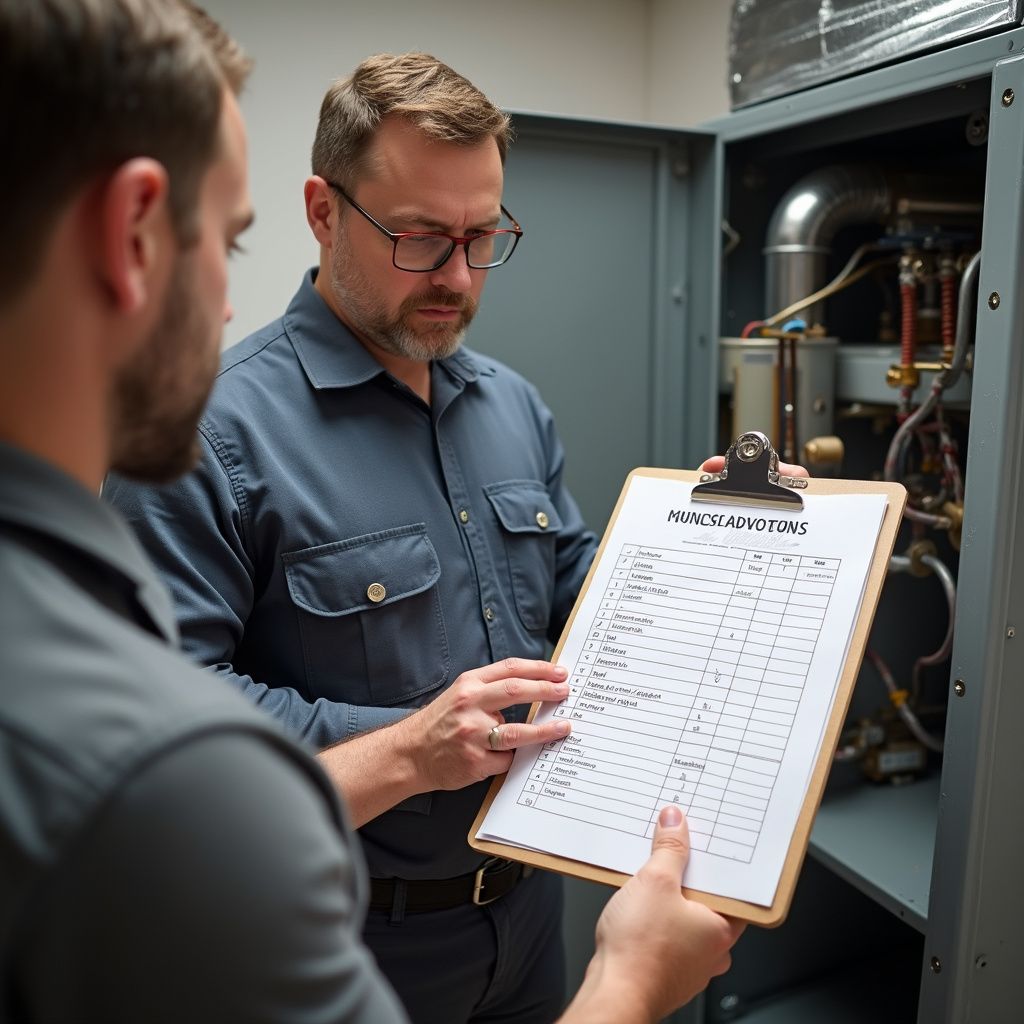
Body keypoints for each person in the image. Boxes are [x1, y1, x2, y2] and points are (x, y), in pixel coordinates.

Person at [0, 3, 744, 1022]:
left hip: (529, 921)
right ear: (322, 210)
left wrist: (711, 541)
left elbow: (589, 612)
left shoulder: (513, 406)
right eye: (421, 237)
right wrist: (411, 744)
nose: (455, 275)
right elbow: (179, 712)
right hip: (357, 928)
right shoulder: (201, 431)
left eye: (484, 237)